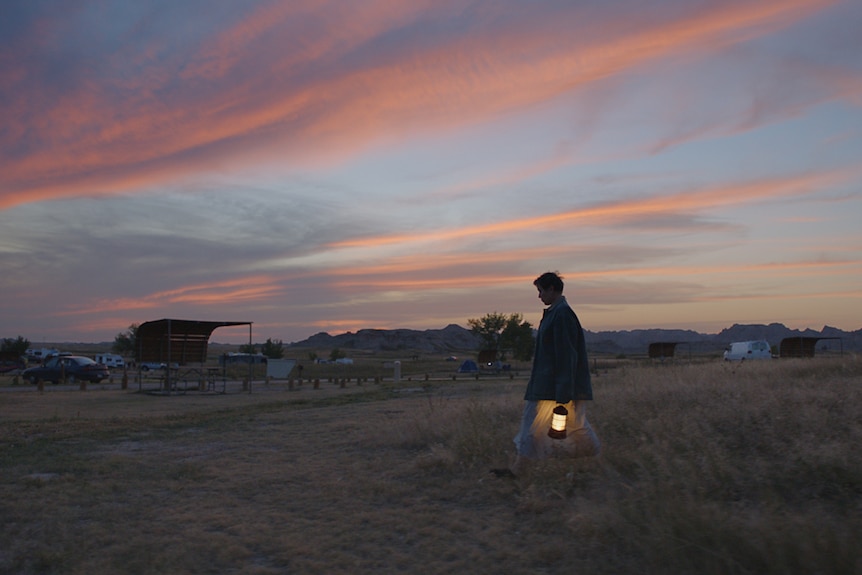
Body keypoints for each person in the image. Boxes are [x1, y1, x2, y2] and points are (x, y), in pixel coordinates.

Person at [494, 271, 601, 478]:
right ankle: (518, 469)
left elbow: (566, 354)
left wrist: (563, 391)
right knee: (538, 423)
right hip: (547, 383)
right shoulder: (556, 313)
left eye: (541, 291)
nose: (539, 296)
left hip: (553, 385)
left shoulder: (562, 315)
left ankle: (596, 458)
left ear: (552, 289)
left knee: (572, 424)